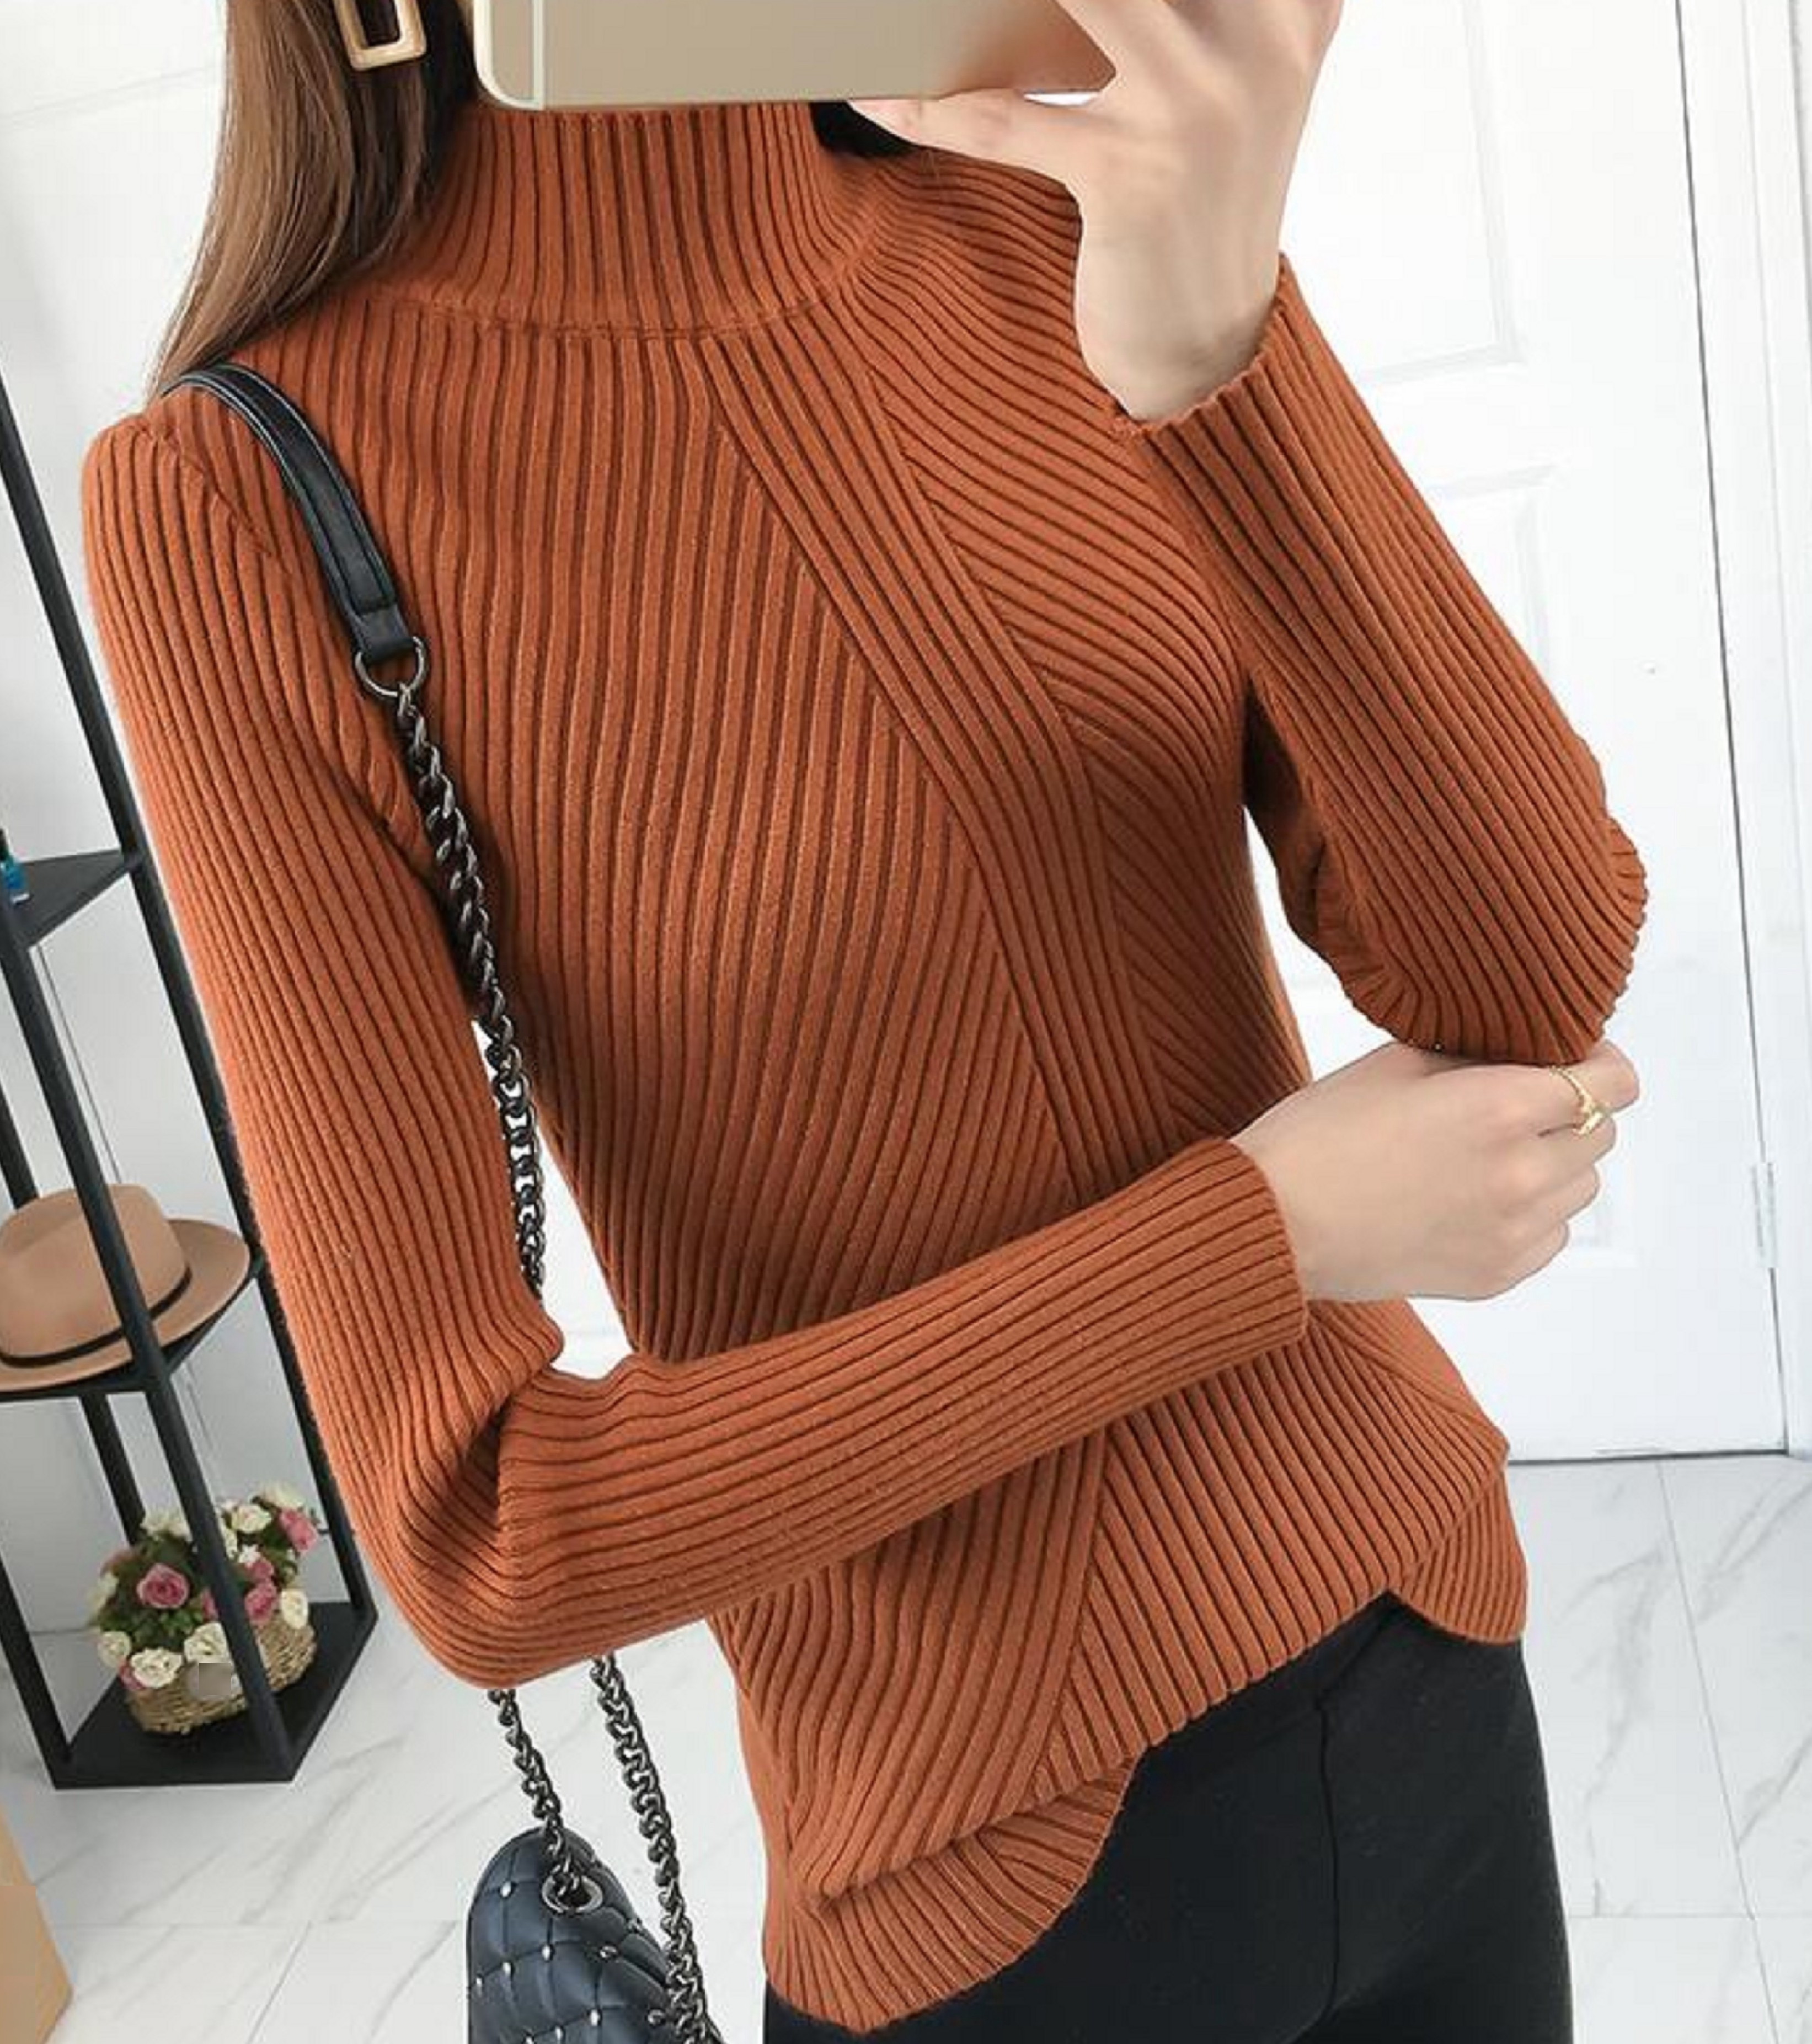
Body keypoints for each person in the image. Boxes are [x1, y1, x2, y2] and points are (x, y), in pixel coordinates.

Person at [78, 1, 1646, 2038]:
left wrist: (1223, 349)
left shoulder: (1054, 227)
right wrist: (1263, 1234)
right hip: (981, 1891)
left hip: (1434, 1650)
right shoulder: (242, 498)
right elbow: (479, 1529)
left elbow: (1529, 981)